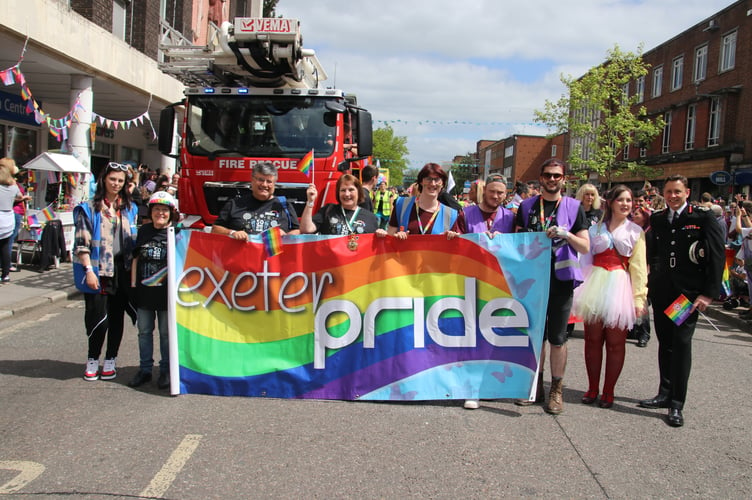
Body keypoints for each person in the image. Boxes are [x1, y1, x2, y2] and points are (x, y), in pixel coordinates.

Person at [638, 174, 725, 427]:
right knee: (665, 343)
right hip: (663, 291)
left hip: (685, 295)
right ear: (663, 194)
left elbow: (717, 255)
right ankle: (664, 393)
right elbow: (653, 253)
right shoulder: (658, 219)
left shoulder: (702, 217)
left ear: (687, 192)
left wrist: (708, 293)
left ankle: (677, 403)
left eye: (677, 191)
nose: (673, 196)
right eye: (668, 192)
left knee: (680, 343)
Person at [515, 158, 590, 414]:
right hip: (533, 279)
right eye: (548, 175)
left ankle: (556, 389)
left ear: (564, 179)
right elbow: (516, 241)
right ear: (541, 178)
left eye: (557, 175)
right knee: (535, 336)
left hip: (561, 280)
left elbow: (585, 246)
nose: (552, 179)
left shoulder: (574, 207)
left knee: (558, 338)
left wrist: (566, 234)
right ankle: (535, 387)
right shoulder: (526, 207)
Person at [572, 185, 647, 409]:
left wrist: (638, 298)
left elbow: (639, 268)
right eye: (621, 200)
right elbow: (584, 260)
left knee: (616, 343)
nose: (626, 204)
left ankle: (609, 391)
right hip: (595, 284)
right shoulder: (595, 230)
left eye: (629, 200)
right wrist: (578, 291)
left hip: (620, 286)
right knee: (592, 341)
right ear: (611, 202)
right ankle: (592, 387)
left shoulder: (636, 231)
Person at [73, 162, 138, 381]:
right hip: (99, 270)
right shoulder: (89, 208)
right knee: (97, 318)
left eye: (120, 181)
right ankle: (92, 359)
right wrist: (88, 271)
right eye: (113, 179)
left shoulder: (129, 208)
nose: (116, 184)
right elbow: (82, 243)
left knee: (117, 318)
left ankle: (111, 359)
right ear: (103, 180)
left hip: (123, 270)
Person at [457, 173, 516, 409]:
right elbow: (455, 242)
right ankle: (471, 389)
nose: (496, 196)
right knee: (472, 336)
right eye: (492, 191)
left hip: (499, 284)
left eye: (501, 192)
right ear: (485, 191)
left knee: (495, 337)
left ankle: (491, 385)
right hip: (471, 282)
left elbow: (520, 247)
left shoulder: (510, 217)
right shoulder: (466, 213)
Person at [128, 191, 180, 390]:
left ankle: (166, 370)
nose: (160, 213)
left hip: (167, 295)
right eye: (157, 209)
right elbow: (135, 259)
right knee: (144, 332)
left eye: (164, 210)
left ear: (171, 212)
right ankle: (145, 370)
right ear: (151, 211)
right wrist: (133, 287)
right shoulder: (143, 231)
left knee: (166, 334)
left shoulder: (177, 232)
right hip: (144, 292)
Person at [212, 161, 300, 238]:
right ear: (252, 180)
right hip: (243, 255)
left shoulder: (284, 205)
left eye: (269, 181)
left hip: (273, 256)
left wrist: (286, 236)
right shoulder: (234, 204)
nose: (264, 185)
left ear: (274, 184)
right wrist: (232, 233)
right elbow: (215, 229)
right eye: (260, 180)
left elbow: (297, 231)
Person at [300, 174, 386, 239]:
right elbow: (306, 229)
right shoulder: (328, 210)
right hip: (332, 262)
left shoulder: (370, 217)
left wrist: (381, 234)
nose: (347, 194)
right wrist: (310, 202)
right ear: (338, 193)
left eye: (351, 190)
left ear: (359, 192)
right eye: (343, 190)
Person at [387, 163, 460, 239]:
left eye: (437, 179)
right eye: (428, 179)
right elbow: (389, 237)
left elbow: (453, 248)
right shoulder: (402, 204)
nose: (433, 183)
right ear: (421, 181)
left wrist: (451, 239)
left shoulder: (450, 214)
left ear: (442, 184)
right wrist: (394, 237)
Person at [629, 205, 653, 347]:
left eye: (637, 214)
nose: (633, 216)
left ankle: (644, 332)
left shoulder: (649, 233)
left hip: (645, 271)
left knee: (642, 302)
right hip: (632, 270)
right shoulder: (631, 230)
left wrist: (648, 270)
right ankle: (633, 329)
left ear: (644, 216)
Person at [0, 158, 26, 282]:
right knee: (5, 247)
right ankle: (5, 275)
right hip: (8, 218)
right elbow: (20, 197)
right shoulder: (14, 187)